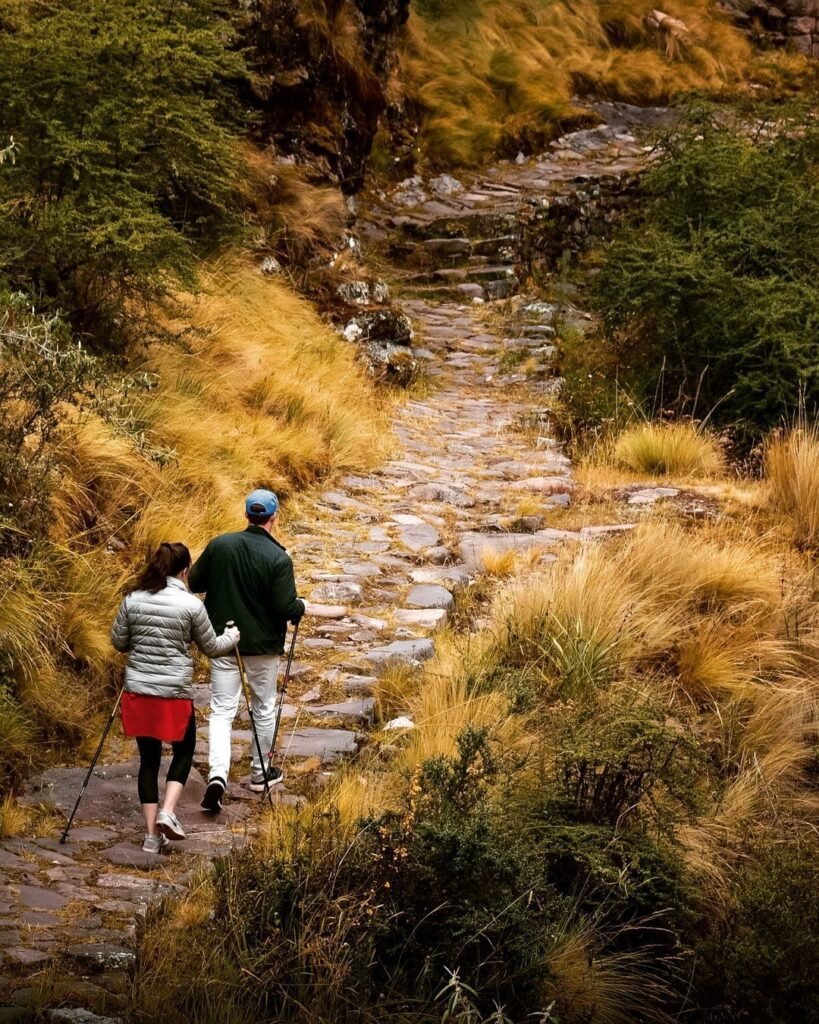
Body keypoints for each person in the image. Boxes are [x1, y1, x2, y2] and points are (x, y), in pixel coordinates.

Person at [110, 542, 240, 854]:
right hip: (173, 692)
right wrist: (232, 637)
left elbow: (119, 641)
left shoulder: (133, 598)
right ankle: (169, 811)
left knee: (148, 760)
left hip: (139, 690)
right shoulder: (191, 605)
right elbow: (211, 646)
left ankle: (151, 836)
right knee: (184, 750)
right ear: (184, 571)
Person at [188, 489, 305, 812]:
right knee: (264, 707)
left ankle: (217, 775)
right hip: (263, 646)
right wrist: (300, 607)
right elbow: (285, 606)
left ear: (246, 516)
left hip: (223, 641)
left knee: (222, 710)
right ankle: (260, 773)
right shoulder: (279, 558)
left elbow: (194, 583)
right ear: (273, 517)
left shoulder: (220, 545)